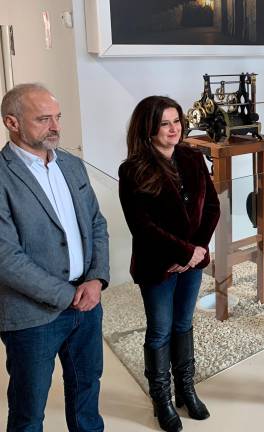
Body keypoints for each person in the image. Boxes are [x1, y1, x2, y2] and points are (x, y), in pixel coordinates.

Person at [0, 83, 110, 431]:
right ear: (12, 122)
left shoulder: (72, 165)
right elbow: (5, 257)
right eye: (43, 119)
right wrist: (68, 295)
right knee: (29, 411)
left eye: (58, 117)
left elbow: (96, 223)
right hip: (32, 316)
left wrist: (96, 279)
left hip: (87, 305)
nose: (55, 127)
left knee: (87, 393)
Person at [118, 96, 220, 432]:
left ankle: (186, 389)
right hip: (157, 266)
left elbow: (212, 207)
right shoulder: (132, 170)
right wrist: (182, 253)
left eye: (176, 121)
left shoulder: (193, 157)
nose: (174, 129)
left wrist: (196, 251)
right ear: (149, 129)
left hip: (192, 262)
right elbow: (142, 226)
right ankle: (161, 398)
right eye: (165, 123)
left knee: (183, 324)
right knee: (160, 329)